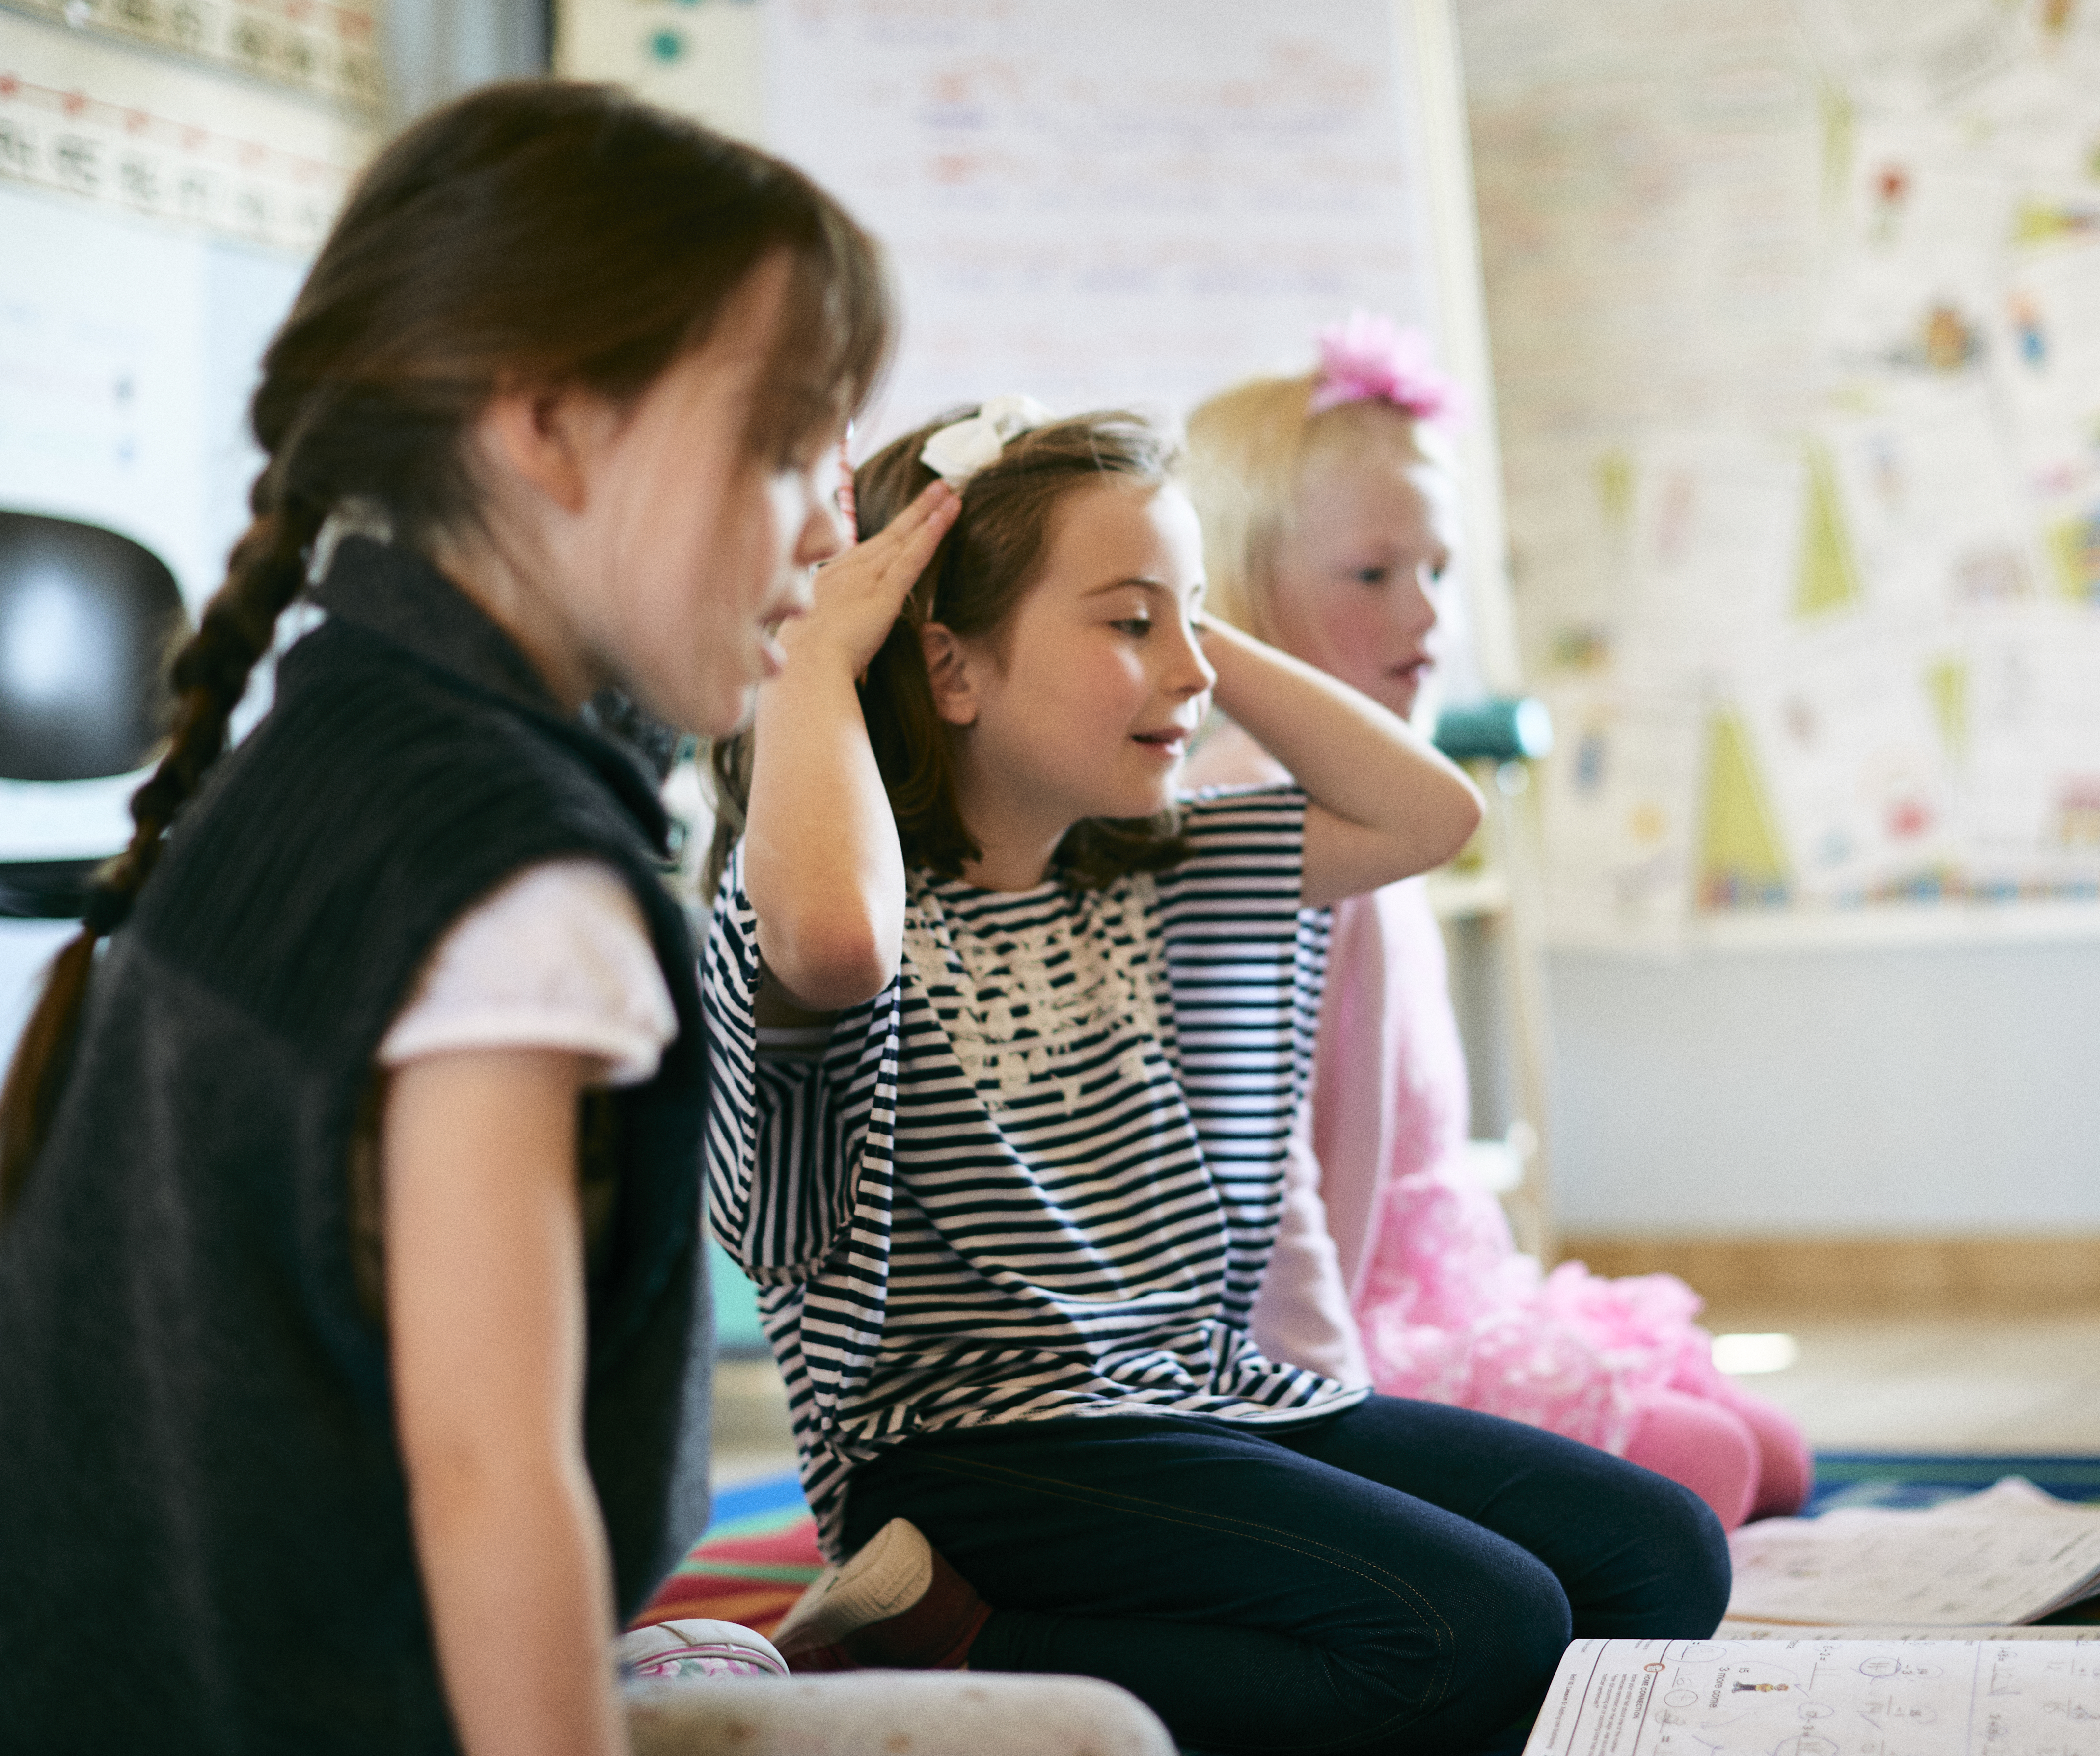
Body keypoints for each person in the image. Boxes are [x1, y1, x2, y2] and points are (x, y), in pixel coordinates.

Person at [0, 81, 1167, 1756]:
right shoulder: (515, 883)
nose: (829, 527)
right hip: (288, 1700)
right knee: (1096, 1736)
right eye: (779, 445)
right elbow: (488, 1478)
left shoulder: (346, 724)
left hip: (99, 1669)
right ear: (549, 425)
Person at [699, 399, 1731, 1755]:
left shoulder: (1144, 867)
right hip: (970, 1449)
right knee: (1475, 1629)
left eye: (1190, 619)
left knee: (1662, 1556)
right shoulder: (838, 911)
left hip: (1198, 1388)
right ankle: (955, 1646)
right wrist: (814, 659)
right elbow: (835, 942)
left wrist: (1174, 618)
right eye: (1128, 624)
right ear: (949, 668)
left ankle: (1006, 1644)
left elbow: (1428, 814)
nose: (1188, 670)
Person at [1179, 315, 1812, 1531]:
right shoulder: (1264, 807)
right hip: (1352, 1307)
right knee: (1715, 1470)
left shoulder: (1381, 783)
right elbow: (1288, 1163)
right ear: (1248, 583)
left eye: (1439, 571)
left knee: (1770, 1451)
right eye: (1373, 575)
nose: (1425, 615)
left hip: (1449, 1274)